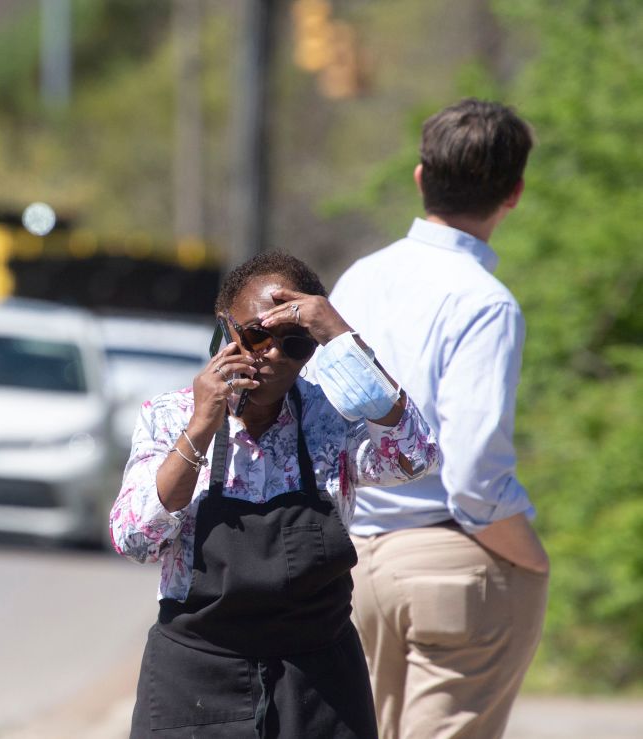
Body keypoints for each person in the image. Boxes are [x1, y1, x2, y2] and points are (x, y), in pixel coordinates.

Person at [111, 251, 439, 738]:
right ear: (225, 328)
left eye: (295, 344)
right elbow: (135, 539)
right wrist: (201, 428)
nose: (271, 355)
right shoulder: (169, 417)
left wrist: (340, 336)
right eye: (256, 334)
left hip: (320, 680)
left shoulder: (332, 418)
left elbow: (415, 456)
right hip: (197, 677)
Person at [329, 98, 550, 739]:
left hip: (355, 559)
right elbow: (474, 472)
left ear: (422, 177)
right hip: (450, 556)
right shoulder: (485, 303)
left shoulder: (358, 281)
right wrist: (532, 562)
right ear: (514, 194)